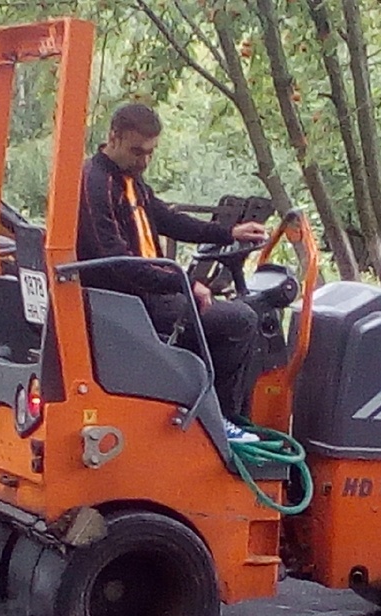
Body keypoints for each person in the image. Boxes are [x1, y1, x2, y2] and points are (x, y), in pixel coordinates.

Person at [77, 103, 268, 444]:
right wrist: (181, 282)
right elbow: (115, 260)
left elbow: (167, 218)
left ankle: (214, 414)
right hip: (130, 305)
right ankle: (218, 423)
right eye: (137, 151)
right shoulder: (96, 184)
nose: (144, 160)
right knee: (242, 320)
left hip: (145, 294)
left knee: (224, 314)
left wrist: (230, 233)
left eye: (150, 153)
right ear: (113, 138)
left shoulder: (128, 180)